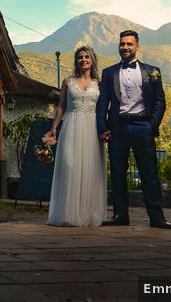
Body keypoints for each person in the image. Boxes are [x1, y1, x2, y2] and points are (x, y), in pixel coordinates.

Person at [96, 30, 171, 229]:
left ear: (137, 46)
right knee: (118, 173)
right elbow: (102, 103)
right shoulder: (109, 72)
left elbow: (159, 101)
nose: (125, 47)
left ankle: (156, 217)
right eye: (122, 44)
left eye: (129, 44)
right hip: (117, 128)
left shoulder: (152, 71)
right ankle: (120, 215)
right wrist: (102, 127)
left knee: (149, 173)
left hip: (142, 127)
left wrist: (151, 126)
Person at [44, 45, 107, 227]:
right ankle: (68, 214)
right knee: (70, 165)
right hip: (71, 126)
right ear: (76, 61)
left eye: (87, 56)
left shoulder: (99, 84)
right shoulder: (68, 82)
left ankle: (89, 214)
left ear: (92, 60)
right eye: (80, 57)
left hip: (92, 128)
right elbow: (61, 106)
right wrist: (54, 127)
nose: (83, 60)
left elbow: (103, 109)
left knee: (90, 168)